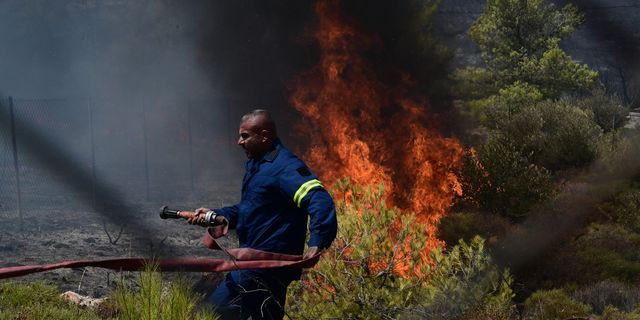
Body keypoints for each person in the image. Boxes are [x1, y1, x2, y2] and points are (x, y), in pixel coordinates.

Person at [188, 109, 337, 319]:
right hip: (256, 265)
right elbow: (250, 210)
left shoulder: (285, 167)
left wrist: (317, 242)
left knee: (212, 314)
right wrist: (215, 215)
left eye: (245, 136)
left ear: (265, 136)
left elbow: (319, 199)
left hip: (264, 267)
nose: (239, 142)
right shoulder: (258, 166)